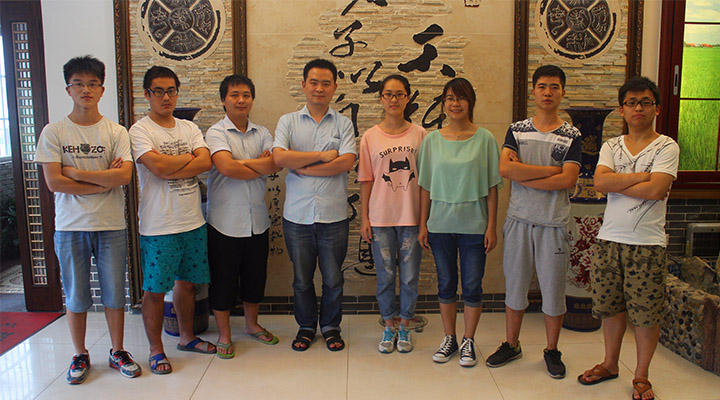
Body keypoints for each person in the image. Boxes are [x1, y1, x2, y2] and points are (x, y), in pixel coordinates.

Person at [35, 55, 139, 384]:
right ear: (68, 89)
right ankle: (80, 353)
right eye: (78, 83)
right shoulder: (54, 132)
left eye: (93, 84)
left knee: (115, 293)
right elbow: (55, 183)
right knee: (77, 295)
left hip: (111, 225)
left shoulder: (115, 131)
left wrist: (77, 173)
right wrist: (104, 178)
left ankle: (117, 351)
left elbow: (123, 177)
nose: (86, 90)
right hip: (70, 226)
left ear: (102, 89)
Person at [579, 77, 678, 400]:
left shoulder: (667, 146)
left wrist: (620, 181)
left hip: (647, 244)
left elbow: (657, 190)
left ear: (657, 108)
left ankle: (641, 375)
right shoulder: (611, 146)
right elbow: (600, 183)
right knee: (611, 308)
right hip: (609, 240)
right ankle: (610, 363)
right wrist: (643, 177)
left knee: (646, 314)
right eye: (632, 103)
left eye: (645, 102)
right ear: (622, 110)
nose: (638, 108)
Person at [485, 65, 581, 379]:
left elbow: (568, 180)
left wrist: (525, 173)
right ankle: (512, 344)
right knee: (515, 286)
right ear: (533, 90)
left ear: (562, 92)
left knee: (553, 291)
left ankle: (552, 350)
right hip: (519, 220)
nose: (547, 92)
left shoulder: (571, 135)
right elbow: (505, 170)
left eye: (554, 87)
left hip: (553, 223)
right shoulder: (517, 130)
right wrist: (552, 171)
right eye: (542, 86)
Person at [129, 66, 215, 375]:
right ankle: (156, 350)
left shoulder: (188, 128)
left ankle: (187, 337)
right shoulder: (139, 130)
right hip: (159, 225)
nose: (166, 97)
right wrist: (186, 160)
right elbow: (157, 168)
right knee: (154, 289)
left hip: (192, 221)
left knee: (187, 284)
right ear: (147, 94)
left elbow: (206, 162)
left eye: (171, 91)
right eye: (159, 91)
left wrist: (171, 165)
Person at [417, 77, 502, 367]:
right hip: (440, 224)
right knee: (446, 284)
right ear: (443, 103)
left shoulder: (486, 139)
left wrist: (491, 226)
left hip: (474, 225)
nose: (455, 104)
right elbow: (425, 187)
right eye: (450, 98)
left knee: (472, 285)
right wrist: (423, 224)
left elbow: (492, 187)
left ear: (471, 103)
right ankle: (449, 338)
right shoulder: (431, 141)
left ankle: (468, 340)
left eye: (461, 98)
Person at [273, 58, 356, 352]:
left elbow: (346, 162)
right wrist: (321, 157)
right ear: (304, 85)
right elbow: (280, 158)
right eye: (314, 82)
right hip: (297, 217)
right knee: (301, 279)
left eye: (325, 83)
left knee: (333, 279)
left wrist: (303, 167)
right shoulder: (288, 121)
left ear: (334, 87)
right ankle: (306, 326)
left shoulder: (343, 123)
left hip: (334, 216)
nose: (319, 88)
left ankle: (331, 327)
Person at [205, 74, 282, 359]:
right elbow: (226, 168)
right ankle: (224, 334)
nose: (241, 100)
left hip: (257, 221)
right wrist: (257, 164)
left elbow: (275, 164)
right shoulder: (216, 133)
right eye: (234, 95)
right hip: (224, 222)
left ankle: (251, 325)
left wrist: (243, 164)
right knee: (223, 280)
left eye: (246, 95)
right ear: (223, 100)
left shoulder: (262, 132)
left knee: (255, 277)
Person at [358, 75, 427, 354]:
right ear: (381, 99)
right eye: (388, 94)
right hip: (380, 219)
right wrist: (364, 218)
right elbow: (366, 180)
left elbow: (426, 181)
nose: (394, 99)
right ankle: (388, 325)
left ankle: (406, 325)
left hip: (412, 218)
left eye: (399, 94)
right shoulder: (370, 136)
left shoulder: (420, 134)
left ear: (408, 98)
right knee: (385, 276)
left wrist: (425, 220)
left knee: (409, 277)